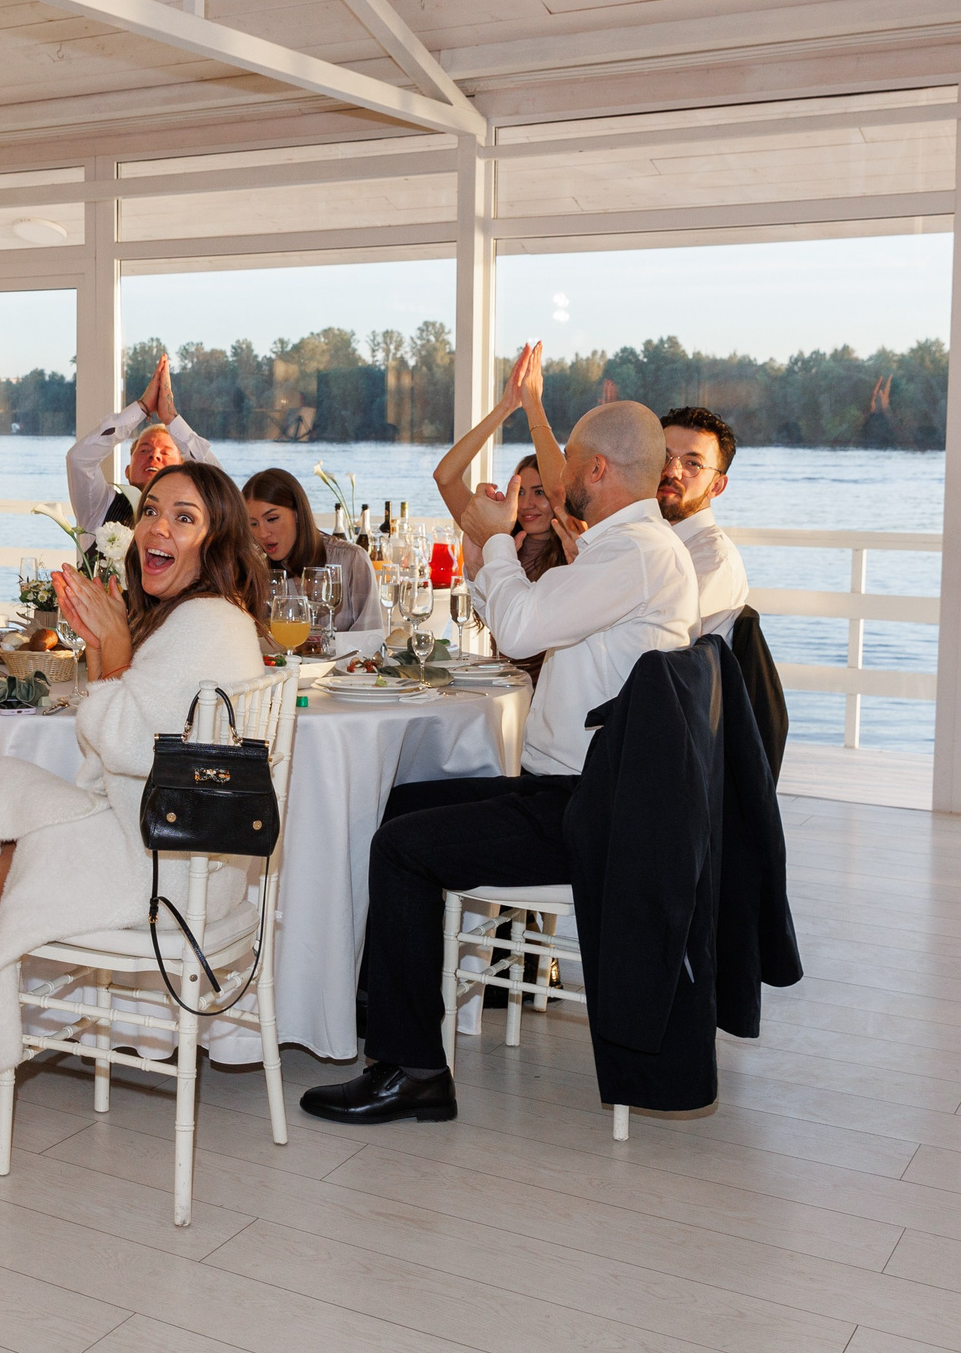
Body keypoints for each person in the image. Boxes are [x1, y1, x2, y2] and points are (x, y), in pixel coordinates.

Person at [301, 400, 698, 1125]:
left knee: (401, 847)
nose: (557, 477)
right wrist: (491, 549)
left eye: (566, 463)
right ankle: (385, 1006)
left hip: (591, 807)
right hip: (576, 789)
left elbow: (518, 630)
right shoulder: (625, 548)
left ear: (596, 469)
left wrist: (495, 542)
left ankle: (415, 1070)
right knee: (399, 804)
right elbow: (529, 617)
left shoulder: (636, 554)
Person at [0, 462, 269, 1127]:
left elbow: (127, 746)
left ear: (216, 542)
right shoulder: (204, 618)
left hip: (168, 871)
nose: (158, 527)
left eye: (184, 517)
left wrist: (114, 649)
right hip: (172, 849)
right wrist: (110, 644)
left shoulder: (204, 624)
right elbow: (123, 740)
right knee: (1, 783)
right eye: (151, 510)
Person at [433, 343, 563, 670]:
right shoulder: (497, 537)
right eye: (521, 492)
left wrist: (534, 406)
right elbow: (445, 477)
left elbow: (563, 491)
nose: (527, 503)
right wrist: (505, 408)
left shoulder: (575, 550)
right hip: (501, 685)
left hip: (546, 692)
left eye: (540, 492)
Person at [65, 352, 213, 533]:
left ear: (181, 471)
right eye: (144, 451)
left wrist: (171, 418)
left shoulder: (194, 518)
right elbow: (79, 460)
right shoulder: (99, 507)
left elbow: (217, 481)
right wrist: (142, 407)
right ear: (127, 471)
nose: (154, 456)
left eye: (165, 452)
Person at [244, 468, 375, 633]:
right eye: (253, 524)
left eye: (272, 519)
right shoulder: (254, 569)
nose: (262, 533)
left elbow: (371, 638)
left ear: (297, 513)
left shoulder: (351, 560)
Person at [660, 405, 747, 642]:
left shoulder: (713, 561)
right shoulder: (645, 538)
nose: (672, 471)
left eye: (693, 464)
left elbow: (660, 643)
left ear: (716, 487)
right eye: (664, 457)